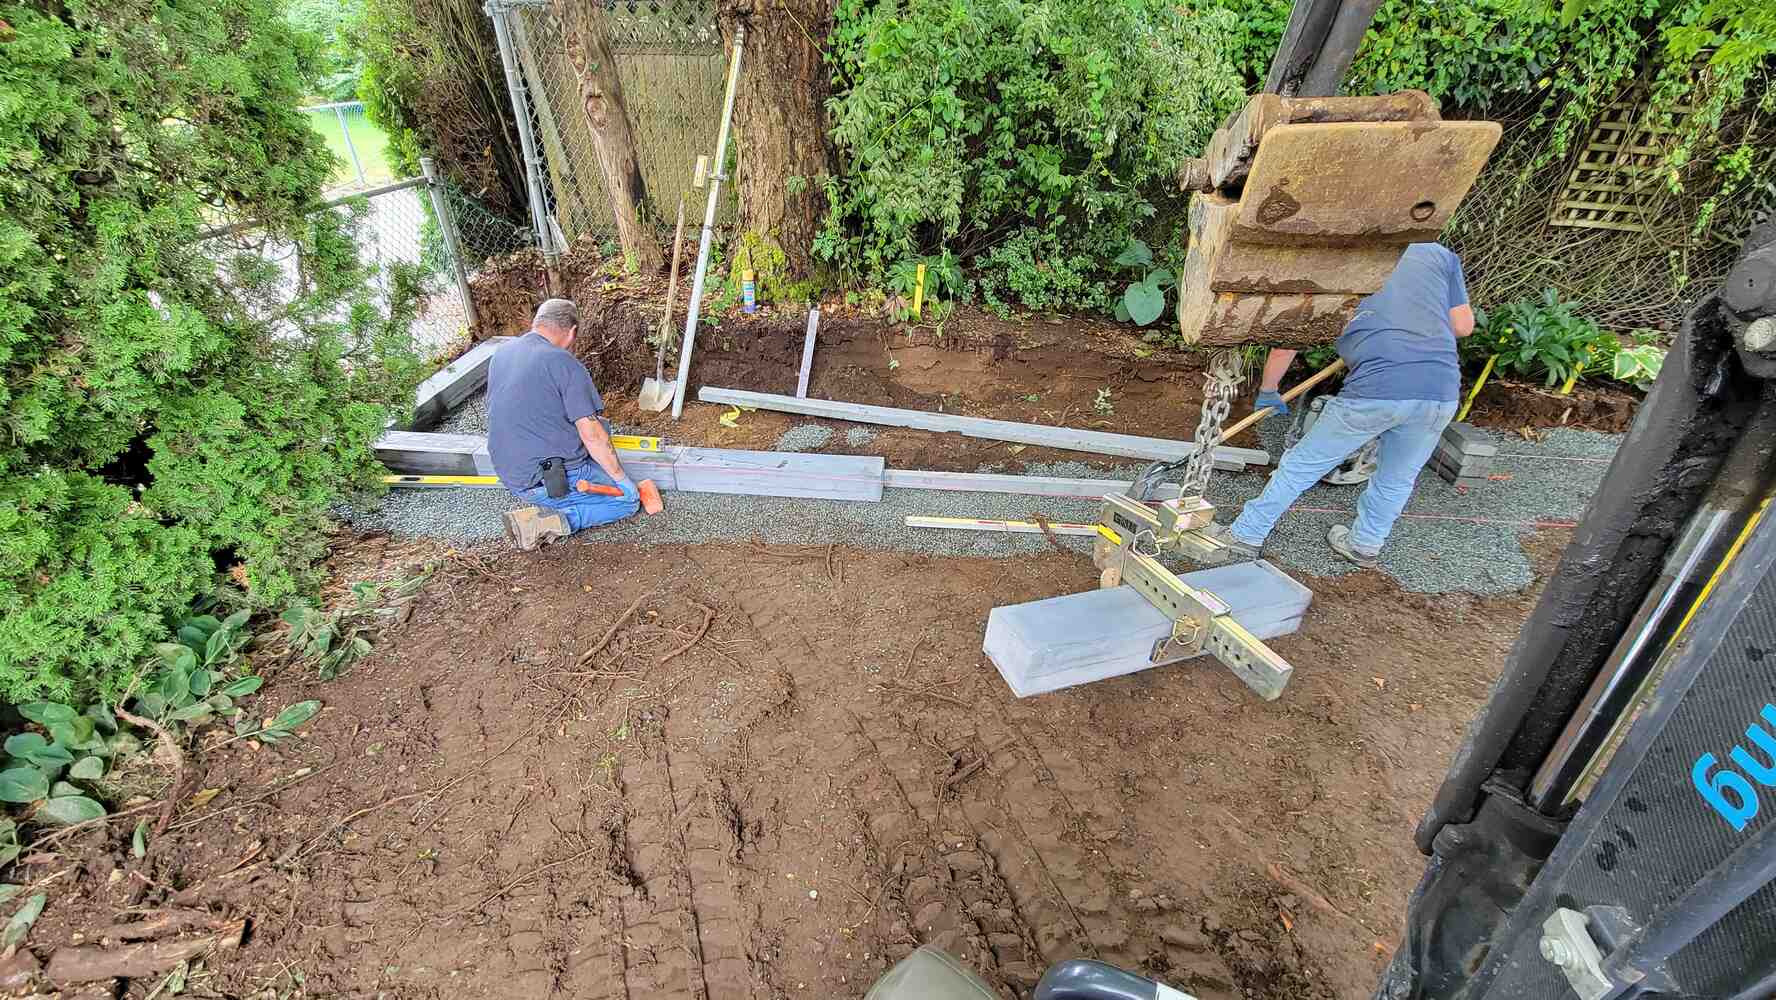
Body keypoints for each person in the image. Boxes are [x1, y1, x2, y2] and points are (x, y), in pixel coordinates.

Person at [1204, 243, 1475, 568]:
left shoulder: (1339, 252)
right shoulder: (1437, 254)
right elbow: (1462, 325)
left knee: (1302, 465)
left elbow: (1289, 341)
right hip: (1440, 391)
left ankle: (1245, 535)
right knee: (1397, 477)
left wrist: (1269, 389)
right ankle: (1365, 544)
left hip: (1378, 387)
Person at [487, 298, 641, 550]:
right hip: (548, 481)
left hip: (511, 476)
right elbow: (591, 434)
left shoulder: (502, 352)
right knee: (626, 501)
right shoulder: (564, 363)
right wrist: (623, 480)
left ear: (536, 323)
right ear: (572, 332)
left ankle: (554, 504)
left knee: (601, 425)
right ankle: (559, 519)